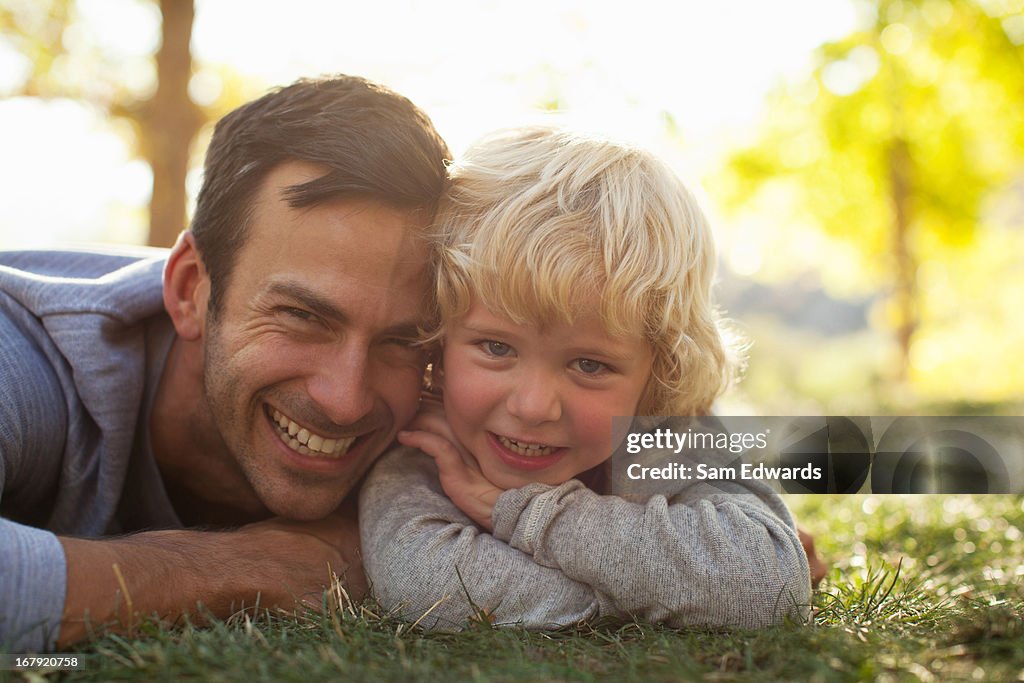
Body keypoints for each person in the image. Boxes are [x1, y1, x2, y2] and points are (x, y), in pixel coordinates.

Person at [0, 74, 450, 652]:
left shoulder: (455, 403)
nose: (347, 400)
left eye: (402, 341)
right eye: (303, 317)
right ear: (191, 288)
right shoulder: (23, 353)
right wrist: (252, 566)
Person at [360, 127, 814, 630]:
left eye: (589, 365)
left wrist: (522, 513)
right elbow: (426, 584)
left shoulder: (668, 433)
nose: (533, 406)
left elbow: (768, 588)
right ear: (439, 346)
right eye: (496, 348)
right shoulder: (425, 442)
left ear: (659, 373)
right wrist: (662, 595)